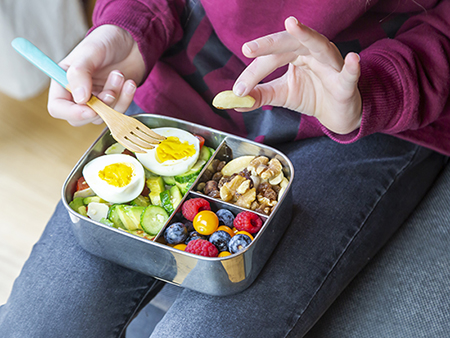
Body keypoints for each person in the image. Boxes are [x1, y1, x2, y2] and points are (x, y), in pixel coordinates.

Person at [1, 0, 450, 337]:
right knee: (36, 325)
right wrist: (130, 26)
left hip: (368, 103)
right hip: (193, 67)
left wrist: (371, 93)